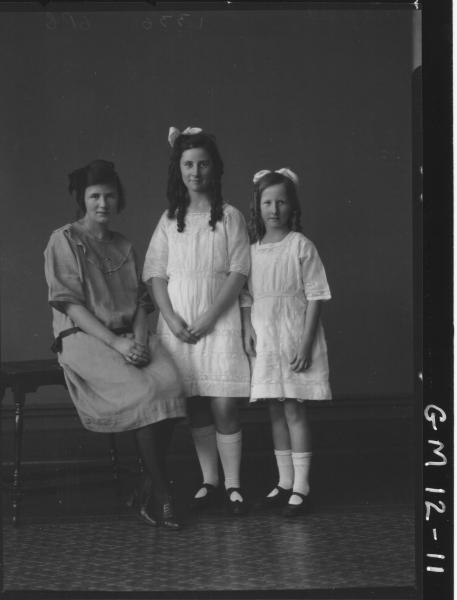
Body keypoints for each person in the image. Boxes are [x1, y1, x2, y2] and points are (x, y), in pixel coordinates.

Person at [44, 159, 186, 529]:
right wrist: (118, 346)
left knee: (171, 383)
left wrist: (139, 339)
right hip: (85, 337)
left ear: (118, 198)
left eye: (109, 196)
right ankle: (163, 494)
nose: (103, 204)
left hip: (128, 335)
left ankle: (146, 484)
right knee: (145, 392)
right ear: (83, 199)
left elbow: (141, 302)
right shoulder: (65, 239)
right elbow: (72, 305)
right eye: (95, 196)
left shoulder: (124, 245)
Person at [143, 127, 251, 515]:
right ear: (179, 169)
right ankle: (210, 480)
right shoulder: (171, 218)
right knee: (197, 404)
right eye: (188, 164)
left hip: (218, 322)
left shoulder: (231, 217)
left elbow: (239, 272)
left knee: (223, 403)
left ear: (214, 168)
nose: (196, 171)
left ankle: (234, 485)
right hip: (180, 326)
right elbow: (155, 273)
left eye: (203, 164)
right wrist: (170, 318)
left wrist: (208, 317)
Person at [242, 168, 331, 517]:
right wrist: (247, 329)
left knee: (294, 408)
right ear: (258, 206)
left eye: (281, 201)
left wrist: (306, 344)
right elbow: (246, 295)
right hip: (266, 338)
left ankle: (302, 486)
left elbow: (316, 295)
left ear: (291, 205)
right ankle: (283, 481)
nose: (274, 209)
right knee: (274, 411)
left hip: (294, 336)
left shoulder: (300, 246)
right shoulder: (251, 251)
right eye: (267, 202)